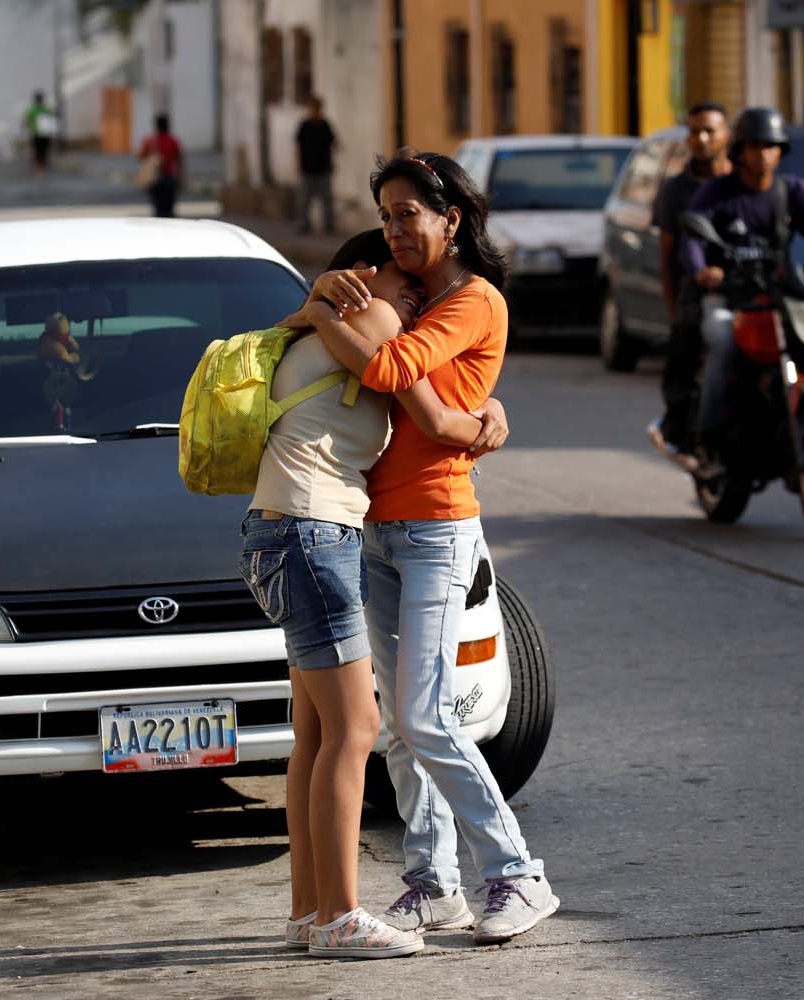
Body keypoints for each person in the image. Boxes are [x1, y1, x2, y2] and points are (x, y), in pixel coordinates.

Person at [285, 151, 557, 946]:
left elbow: (389, 363)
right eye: (386, 213)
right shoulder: (407, 293)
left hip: (438, 526)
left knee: (427, 715)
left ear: (452, 219)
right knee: (399, 727)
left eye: (410, 212)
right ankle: (433, 885)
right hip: (372, 527)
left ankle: (516, 873)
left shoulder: (472, 300)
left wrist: (333, 314)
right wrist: (325, 309)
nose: (395, 228)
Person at [245, 228, 506, 959]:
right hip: (312, 533)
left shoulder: (318, 324)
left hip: (281, 531)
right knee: (357, 730)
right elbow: (431, 414)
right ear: (363, 273)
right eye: (405, 286)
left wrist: (314, 306)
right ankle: (339, 918)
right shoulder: (369, 316)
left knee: (318, 736)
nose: (414, 303)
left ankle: (308, 914)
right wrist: (487, 422)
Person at [680, 108, 804, 452]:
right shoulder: (716, 193)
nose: (763, 154)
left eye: (770, 146)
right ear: (740, 151)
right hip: (730, 297)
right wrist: (704, 270)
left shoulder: (792, 191)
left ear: (780, 152)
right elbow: (692, 241)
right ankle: (709, 432)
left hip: (779, 295)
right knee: (723, 340)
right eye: (755, 146)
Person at [651, 102, 733, 452]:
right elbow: (668, 256)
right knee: (685, 337)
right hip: (698, 289)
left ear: (726, 135)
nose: (701, 139)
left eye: (709, 130)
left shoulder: (742, 182)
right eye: (694, 131)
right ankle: (678, 424)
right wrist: (674, 307)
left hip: (748, 287)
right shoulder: (676, 190)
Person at [296, 97, 338, 234]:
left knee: (327, 200)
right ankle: (304, 224)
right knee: (304, 200)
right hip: (307, 169)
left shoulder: (325, 125)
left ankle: (328, 224)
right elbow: (298, 147)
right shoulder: (305, 126)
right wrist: (298, 165)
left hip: (323, 168)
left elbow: (333, 144)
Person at [139, 114, 182, 218]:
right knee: (169, 208)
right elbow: (179, 160)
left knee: (158, 208)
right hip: (169, 177)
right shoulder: (173, 140)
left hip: (155, 179)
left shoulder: (150, 141)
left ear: (156, 126)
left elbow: (141, 156)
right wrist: (180, 178)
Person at [24, 90, 57, 175]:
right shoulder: (44, 109)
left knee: (40, 150)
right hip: (41, 133)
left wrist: (28, 127)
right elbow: (52, 120)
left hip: (39, 133)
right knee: (41, 150)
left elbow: (27, 120)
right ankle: (40, 166)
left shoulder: (34, 110)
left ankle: (40, 166)